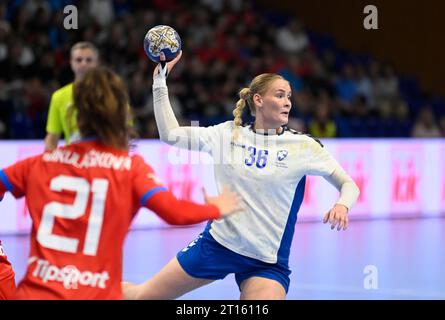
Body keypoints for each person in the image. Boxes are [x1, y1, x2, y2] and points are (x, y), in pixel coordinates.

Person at [122, 51, 360, 300]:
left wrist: (342, 205)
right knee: (142, 297)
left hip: (266, 262)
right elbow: (170, 134)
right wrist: (159, 83)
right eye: (280, 95)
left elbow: (348, 184)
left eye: (289, 96)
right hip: (217, 246)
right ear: (258, 100)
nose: (288, 102)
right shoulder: (227, 135)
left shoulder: (303, 146)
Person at [0, 67, 242, 299]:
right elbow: (175, 213)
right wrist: (216, 208)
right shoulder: (130, 168)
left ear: (74, 114)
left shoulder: (39, 163)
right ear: (120, 113)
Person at [44, 42, 100, 151]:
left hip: (104, 161)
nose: (83, 64)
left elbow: (124, 132)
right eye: (79, 60)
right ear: (71, 63)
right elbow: (52, 137)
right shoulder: (59, 96)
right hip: (74, 161)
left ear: (97, 63)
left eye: (89, 60)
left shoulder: (113, 94)